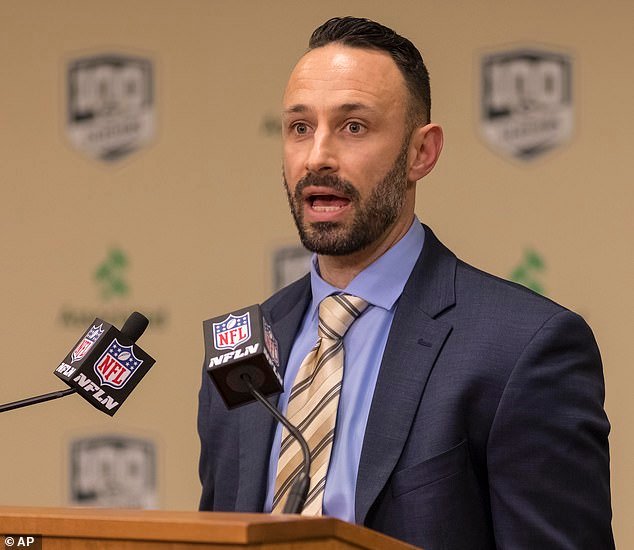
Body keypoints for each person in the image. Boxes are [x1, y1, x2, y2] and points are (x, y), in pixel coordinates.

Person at [198, 16, 614, 549]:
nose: (317, 156)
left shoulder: (521, 349)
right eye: (300, 127)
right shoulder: (244, 346)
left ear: (422, 152)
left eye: (353, 127)